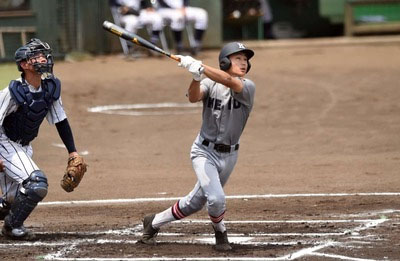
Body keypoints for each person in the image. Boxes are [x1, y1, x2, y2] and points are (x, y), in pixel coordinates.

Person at [139, 42, 255, 251]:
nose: (243, 63)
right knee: (216, 198)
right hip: (204, 152)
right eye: (238, 58)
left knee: (195, 202)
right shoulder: (211, 84)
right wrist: (195, 77)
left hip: (230, 156)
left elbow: (231, 82)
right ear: (225, 61)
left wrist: (200, 66)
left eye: (246, 60)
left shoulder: (248, 87)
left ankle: (153, 222)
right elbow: (193, 97)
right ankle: (220, 233)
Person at [0, 38, 85, 240]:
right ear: (24, 65)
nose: (43, 58)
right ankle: (13, 227)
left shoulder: (49, 89)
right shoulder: (12, 93)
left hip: (24, 147)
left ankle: (8, 216)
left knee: (10, 201)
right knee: (36, 183)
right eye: (36, 56)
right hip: (5, 143)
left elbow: (61, 121)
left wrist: (72, 151)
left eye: (43, 54)